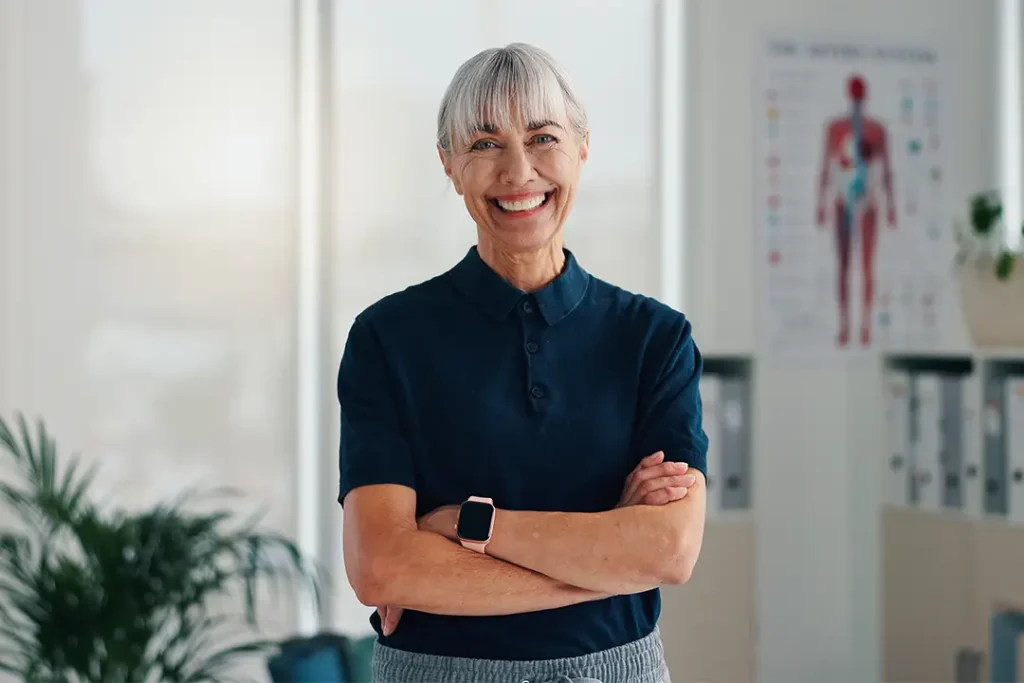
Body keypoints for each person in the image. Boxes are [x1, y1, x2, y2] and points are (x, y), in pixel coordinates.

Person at [337, 43, 708, 683]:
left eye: (542, 137)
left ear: (582, 150)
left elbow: (669, 550)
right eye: (484, 144)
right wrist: (603, 564)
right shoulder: (387, 339)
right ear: (449, 165)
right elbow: (382, 569)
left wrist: (463, 525)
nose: (518, 171)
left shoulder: (655, 339)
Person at [814, 74, 897, 348]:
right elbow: (826, 166)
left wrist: (892, 205)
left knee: (866, 266)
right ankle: (844, 325)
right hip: (843, 199)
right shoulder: (836, 128)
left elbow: (886, 170)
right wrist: (821, 203)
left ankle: (865, 326)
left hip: (868, 200)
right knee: (844, 266)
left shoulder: (877, 130)